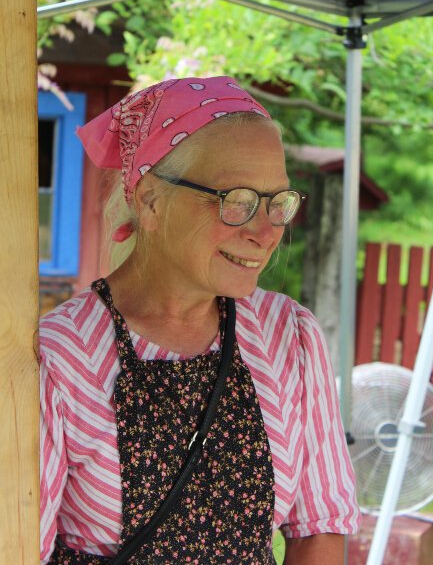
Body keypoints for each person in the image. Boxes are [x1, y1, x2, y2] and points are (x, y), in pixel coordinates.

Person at [40, 76, 360, 565]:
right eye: (237, 201)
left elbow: (319, 528)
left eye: (278, 202)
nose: (266, 232)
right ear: (150, 200)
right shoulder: (59, 356)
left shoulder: (287, 336)